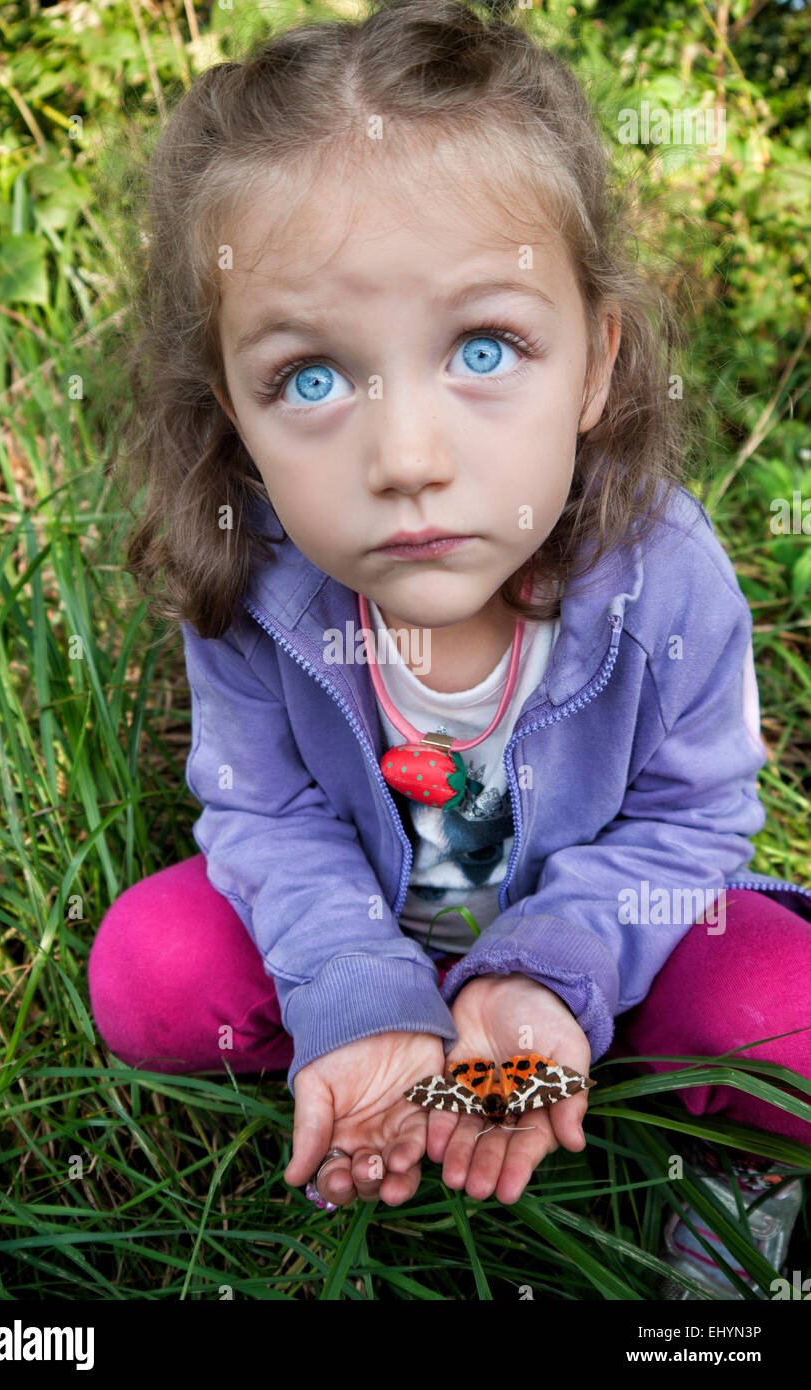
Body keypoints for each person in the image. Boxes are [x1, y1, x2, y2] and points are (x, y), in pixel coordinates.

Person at [88, 0, 811, 1297]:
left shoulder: (667, 581)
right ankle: (374, 1074)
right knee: (150, 972)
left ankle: (713, 1151)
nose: (407, 457)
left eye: (485, 348)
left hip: (611, 956)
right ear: (234, 413)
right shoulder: (258, 579)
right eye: (311, 376)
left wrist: (545, 981)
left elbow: (694, 830)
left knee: (788, 1012)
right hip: (369, 918)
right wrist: (358, 994)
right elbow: (268, 817)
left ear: (594, 362)